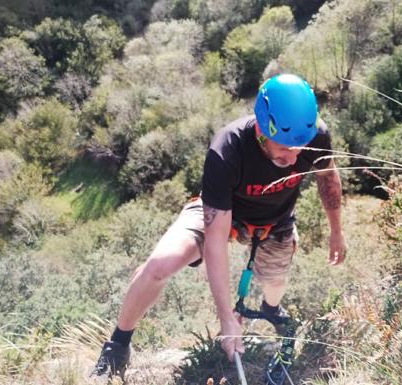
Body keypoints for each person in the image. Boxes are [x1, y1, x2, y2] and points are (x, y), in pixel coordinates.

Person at [93, 73, 346, 378]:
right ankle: (118, 345)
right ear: (263, 130)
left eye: (299, 148)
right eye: (283, 148)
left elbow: (327, 179)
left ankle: (270, 308)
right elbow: (215, 240)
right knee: (158, 266)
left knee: (275, 282)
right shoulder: (227, 149)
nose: (293, 158)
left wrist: (336, 232)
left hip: (275, 220)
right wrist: (226, 318)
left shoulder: (316, 137)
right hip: (222, 211)